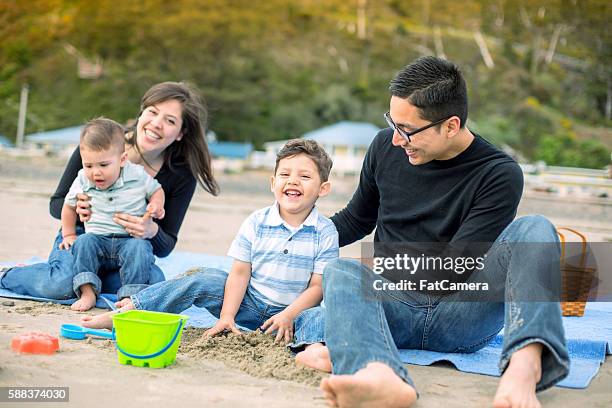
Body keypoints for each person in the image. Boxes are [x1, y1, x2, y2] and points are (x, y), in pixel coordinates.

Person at [297, 57, 568, 408]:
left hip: (461, 315)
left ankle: (524, 366)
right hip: (393, 309)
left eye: (407, 130)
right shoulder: (384, 147)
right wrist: (296, 237)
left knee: (535, 229)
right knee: (339, 272)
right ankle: (378, 374)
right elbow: (357, 219)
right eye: (393, 124)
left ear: (451, 125)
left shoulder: (498, 173)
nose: (397, 140)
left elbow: (456, 266)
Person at [81, 139, 339, 352]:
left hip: (293, 316)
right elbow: (239, 273)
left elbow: (318, 288)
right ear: (273, 183)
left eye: (305, 176)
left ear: (323, 188)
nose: (293, 181)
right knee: (204, 278)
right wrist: (227, 316)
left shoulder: (325, 231)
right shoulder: (257, 222)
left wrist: (289, 315)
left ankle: (311, 350)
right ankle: (131, 313)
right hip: (249, 305)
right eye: (285, 174)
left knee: (323, 316)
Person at [0, 82, 219, 302]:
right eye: (153, 112)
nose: (157, 124)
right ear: (142, 113)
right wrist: (78, 208)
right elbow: (57, 203)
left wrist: (151, 230)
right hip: (85, 238)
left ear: (181, 133)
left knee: (154, 283)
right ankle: (10, 275)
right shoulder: (100, 143)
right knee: (59, 285)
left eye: (170, 121)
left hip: (129, 248)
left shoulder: (181, 174)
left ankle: (88, 279)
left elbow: (166, 246)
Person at [61, 118, 166, 311]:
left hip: (129, 239)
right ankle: (87, 291)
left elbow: (156, 190)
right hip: (97, 238)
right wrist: (69, 234)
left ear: (122, 159)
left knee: (140, 248)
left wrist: (157, 205)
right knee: (83, 243)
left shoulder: (137, 175)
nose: (96, 173)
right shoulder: (83, 179)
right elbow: (68, 205)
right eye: (89, 165)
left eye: (103, 165)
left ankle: (130, 296)